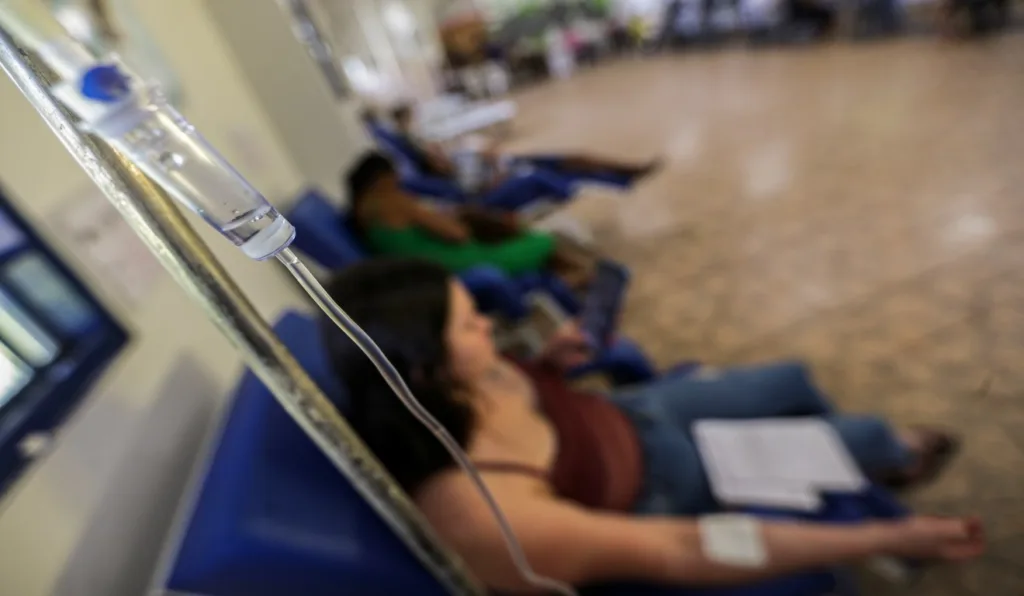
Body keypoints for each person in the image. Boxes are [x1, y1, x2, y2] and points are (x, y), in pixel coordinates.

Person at [321, 258, 985, 594]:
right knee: (862, 438)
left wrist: (550, 364)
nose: (488, 326)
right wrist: (885, 531)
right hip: (661, 487)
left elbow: (522, 393)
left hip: (638, 415)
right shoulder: (480, 513)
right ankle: (887, 477)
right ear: (422, 366)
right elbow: (679, 547)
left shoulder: (448, 383)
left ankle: (860, 471)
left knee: (792, 379)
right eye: (470, 323)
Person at [346, 151, 595, 288]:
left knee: (508, 231)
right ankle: (578, 276)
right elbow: (457, 235)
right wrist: (446, 218)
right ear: (383, 179)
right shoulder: (392, 201)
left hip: (428, 271)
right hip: (457, 264)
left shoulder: (363, 213)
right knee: (542, 241)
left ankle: (575, 277)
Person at [387, 104, 662, 188]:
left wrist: (486, 153)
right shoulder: (456, 176)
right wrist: (493, 162)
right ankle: (624, 177)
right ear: (432, 165)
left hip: (516, 163)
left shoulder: (453, 161)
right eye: (434, 155)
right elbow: (485, 189)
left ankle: (628, 171)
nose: (439, 151)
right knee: (573, 171)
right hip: (516, 174)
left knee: (577, 158)